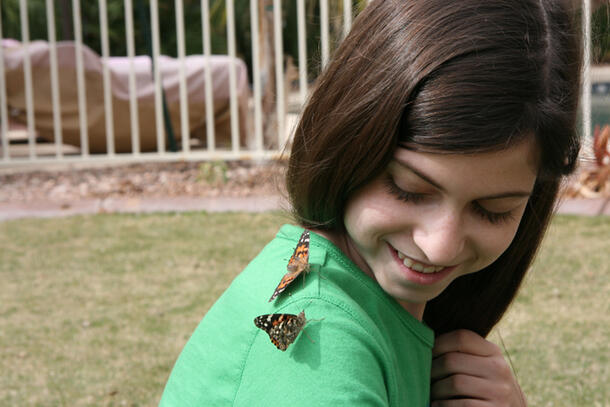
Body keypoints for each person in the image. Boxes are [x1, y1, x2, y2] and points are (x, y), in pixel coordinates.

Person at [159, 0, 582, 405]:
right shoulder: (322, 360)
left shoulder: (367, 298)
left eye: (493, 210)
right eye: (408, 190)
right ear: (351, 143)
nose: (440, 245)